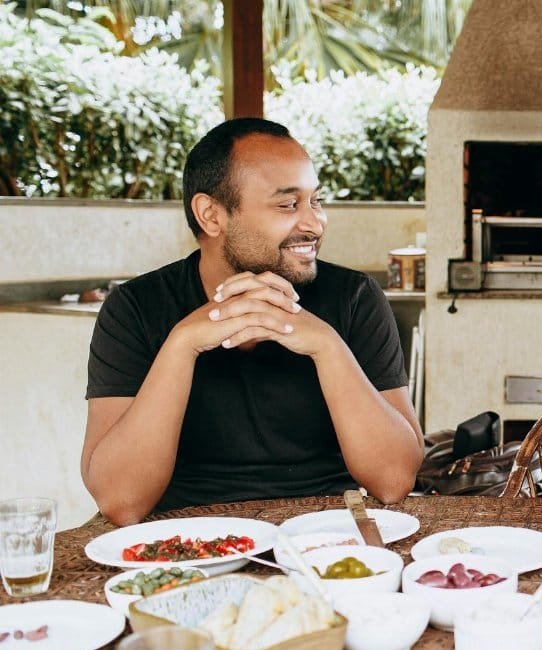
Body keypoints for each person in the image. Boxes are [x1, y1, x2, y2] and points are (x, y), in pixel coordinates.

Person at [82, 118, 423, 525]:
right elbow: (121, 501)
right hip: (186, 538)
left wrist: (326, 346)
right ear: (211, 215)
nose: (314, 223)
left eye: (315, 201)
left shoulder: (354, 298)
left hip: (325, 532)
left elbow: (394, 480)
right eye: (287, 205)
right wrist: (182, 345)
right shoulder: (136, 308)